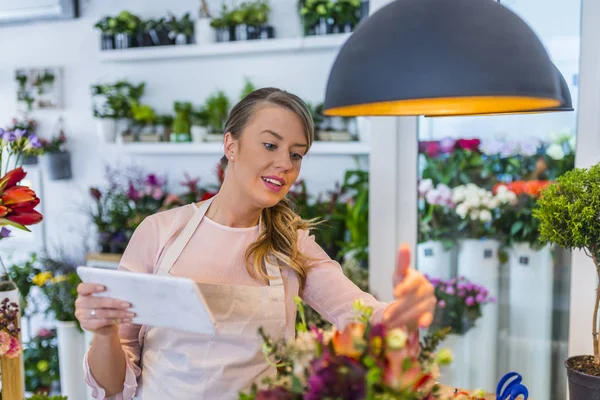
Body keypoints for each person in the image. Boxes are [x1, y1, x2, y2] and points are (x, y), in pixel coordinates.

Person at [75, 88, 436, 400]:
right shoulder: (161, 232)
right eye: (270, 144)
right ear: (231, 144)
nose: (284, 164)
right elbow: (111, 387)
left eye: (296, 154)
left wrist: (403, 311)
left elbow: (362, 313)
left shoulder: (292, 246)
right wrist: (105, 333)